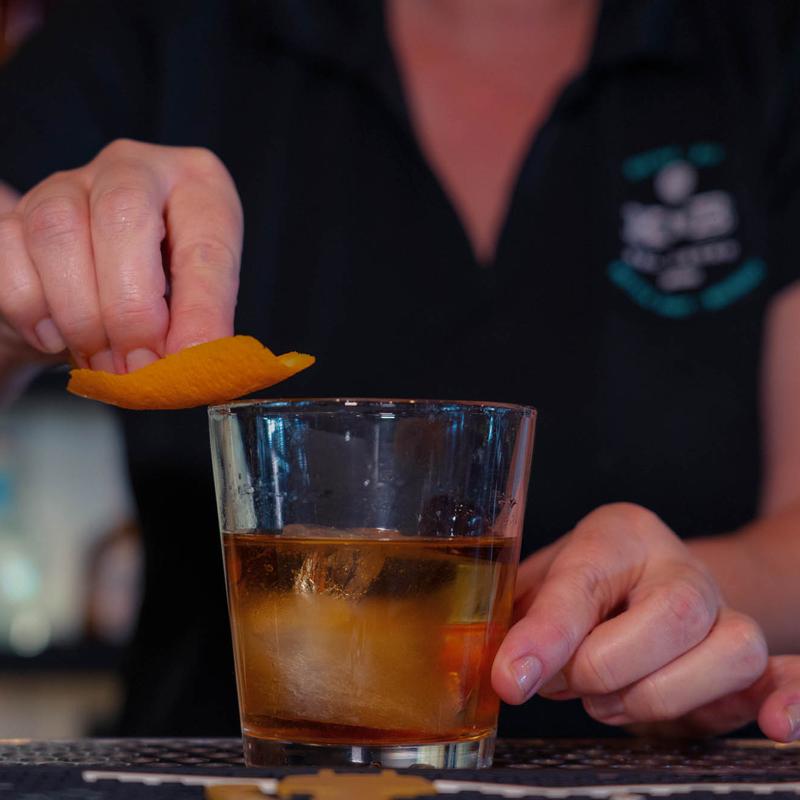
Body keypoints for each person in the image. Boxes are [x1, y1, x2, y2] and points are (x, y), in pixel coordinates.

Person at [0, 0, 799, 741]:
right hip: (233, 770)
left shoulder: (763, 44)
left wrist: (681, 595)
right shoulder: (157, 31)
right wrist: (23, 299)